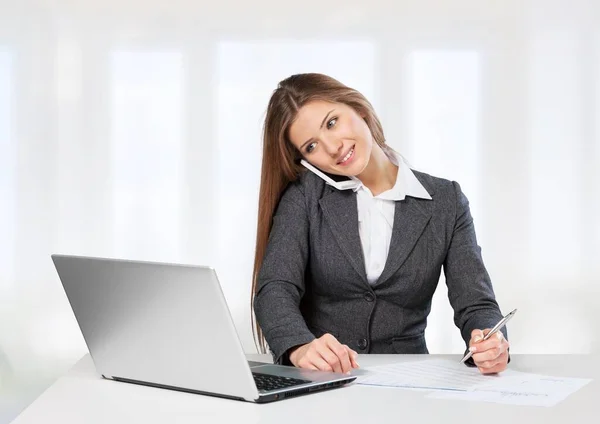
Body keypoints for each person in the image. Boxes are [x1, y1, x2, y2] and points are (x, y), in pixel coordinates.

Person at [251, 73, 510, 376]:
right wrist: (300, 347)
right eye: (311, 146)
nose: (333, 147)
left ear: (358, 109)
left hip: (410, 383)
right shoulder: (304, 198)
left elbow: (476, 303)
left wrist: (490, 341)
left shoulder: (445, 201)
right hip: (325, 379)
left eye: (332, 123)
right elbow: (275, 289)